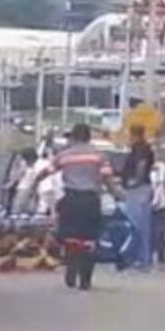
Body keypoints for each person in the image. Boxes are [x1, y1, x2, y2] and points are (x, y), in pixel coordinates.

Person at [36, 123, 118, 290]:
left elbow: (46, 171)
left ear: (73, 137)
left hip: (71, 199)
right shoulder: (99, 156)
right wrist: (118, 194)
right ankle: (85, 279)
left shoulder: (64, 155)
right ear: (89, 137)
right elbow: (108, 180)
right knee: (89, 239)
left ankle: (71, 266)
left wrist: (33, 184)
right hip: (90, 200)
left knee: (69, 236)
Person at [120, 125, 155, 270]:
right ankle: (141, 258)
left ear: (135, 135)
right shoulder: (139, 149)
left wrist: (135, 181)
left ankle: (142, 259)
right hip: (140, 189)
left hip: (139, 190)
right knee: (141, 225)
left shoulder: (141, 149)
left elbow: (141, 165)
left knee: (138, 225)